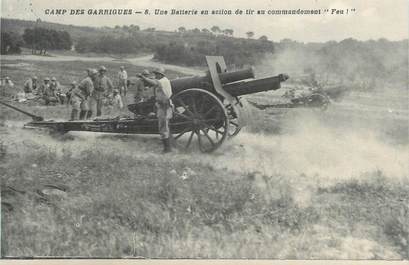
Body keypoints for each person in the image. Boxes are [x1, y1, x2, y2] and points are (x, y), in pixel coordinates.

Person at [138, 67, 173, 153]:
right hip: (164, 105)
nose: (155, 75)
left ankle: (167, 149)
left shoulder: (162, 81)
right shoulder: (165, 80)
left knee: (163, 127)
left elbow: (153, 82)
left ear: (160, 75)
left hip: (164, 106)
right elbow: (153, 80)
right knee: (164, 127)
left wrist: (143, 77)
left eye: (156, 74)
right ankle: (168, 147)